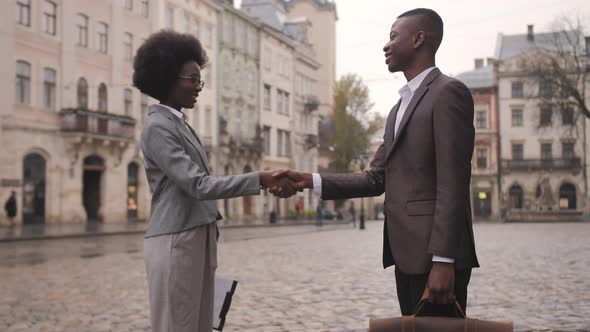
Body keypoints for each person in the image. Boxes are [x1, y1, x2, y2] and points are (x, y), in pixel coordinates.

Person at [273, 8, 478, 316]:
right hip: (407, 253)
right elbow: (374, 179)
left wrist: (444, 260)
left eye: (394, 36)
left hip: (436, 257)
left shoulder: (448, 93)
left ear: (419, 39)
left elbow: (454, 183)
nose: (387, 45)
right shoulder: (398, 108)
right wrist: (308, 180)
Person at [133, 30, 296, 332]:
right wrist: (259, 178)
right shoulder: (158, 126)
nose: (198, 87)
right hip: (176, 238)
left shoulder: (180, 123)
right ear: (168, 77)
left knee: (202, 325)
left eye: (200, 80)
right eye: (191, 80)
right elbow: (198, 185)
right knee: (177, 326)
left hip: (198, 234)